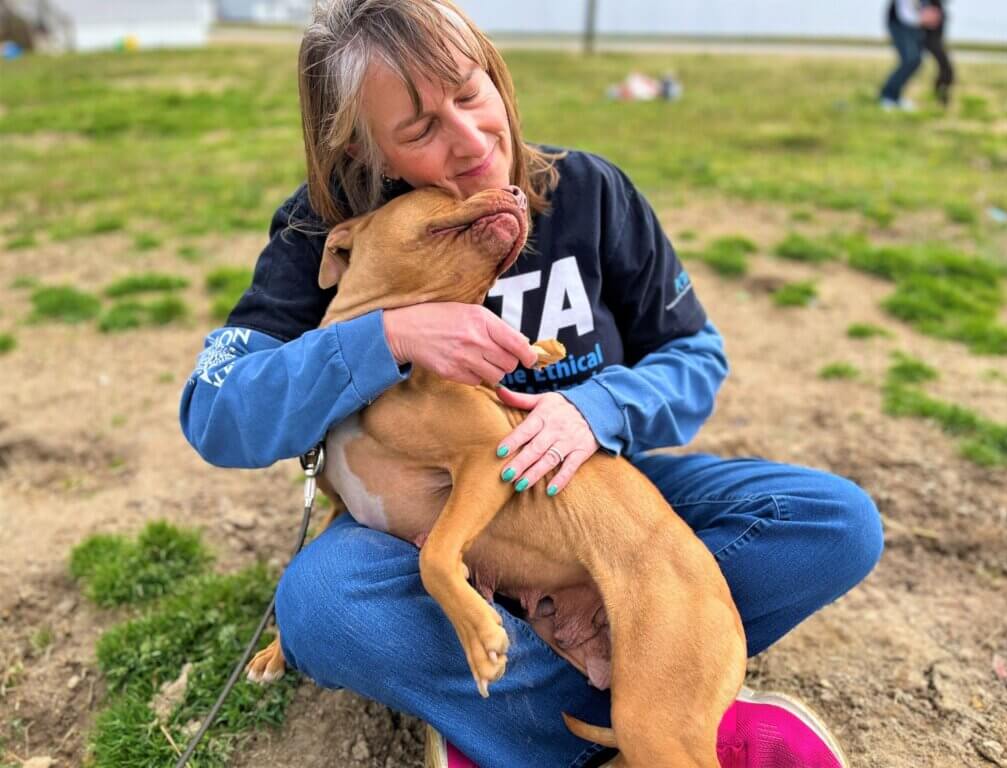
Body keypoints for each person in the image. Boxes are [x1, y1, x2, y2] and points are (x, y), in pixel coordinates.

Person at [179, 1, 883, 766]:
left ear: (497, 74)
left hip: (599, 496)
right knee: (321, 607)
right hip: (423, 516)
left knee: (834, 522)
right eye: (419, 130)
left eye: (472, 93)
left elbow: (696, 357)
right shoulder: (326, 228)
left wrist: (596, 408)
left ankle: (535, 720)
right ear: (365, 148)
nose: (473, 139)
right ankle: (674, 722)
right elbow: (216, 410)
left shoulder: (590, 190)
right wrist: (387, 337)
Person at [880, 0, 943, 111]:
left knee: (915, 61)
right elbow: (905, 14)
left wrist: (932, 14)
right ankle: (887, 96)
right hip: (900, 25)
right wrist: (923, 19)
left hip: (914, 26)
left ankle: (895, 97)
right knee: (910, 59)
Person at [922, 0, 955, 106]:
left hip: (935, 38)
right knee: (947, 69)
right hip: (932, 39)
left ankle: (941, 97)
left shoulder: (934, 4)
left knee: (946, 69)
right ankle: (941, 98)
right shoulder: (930, 4)